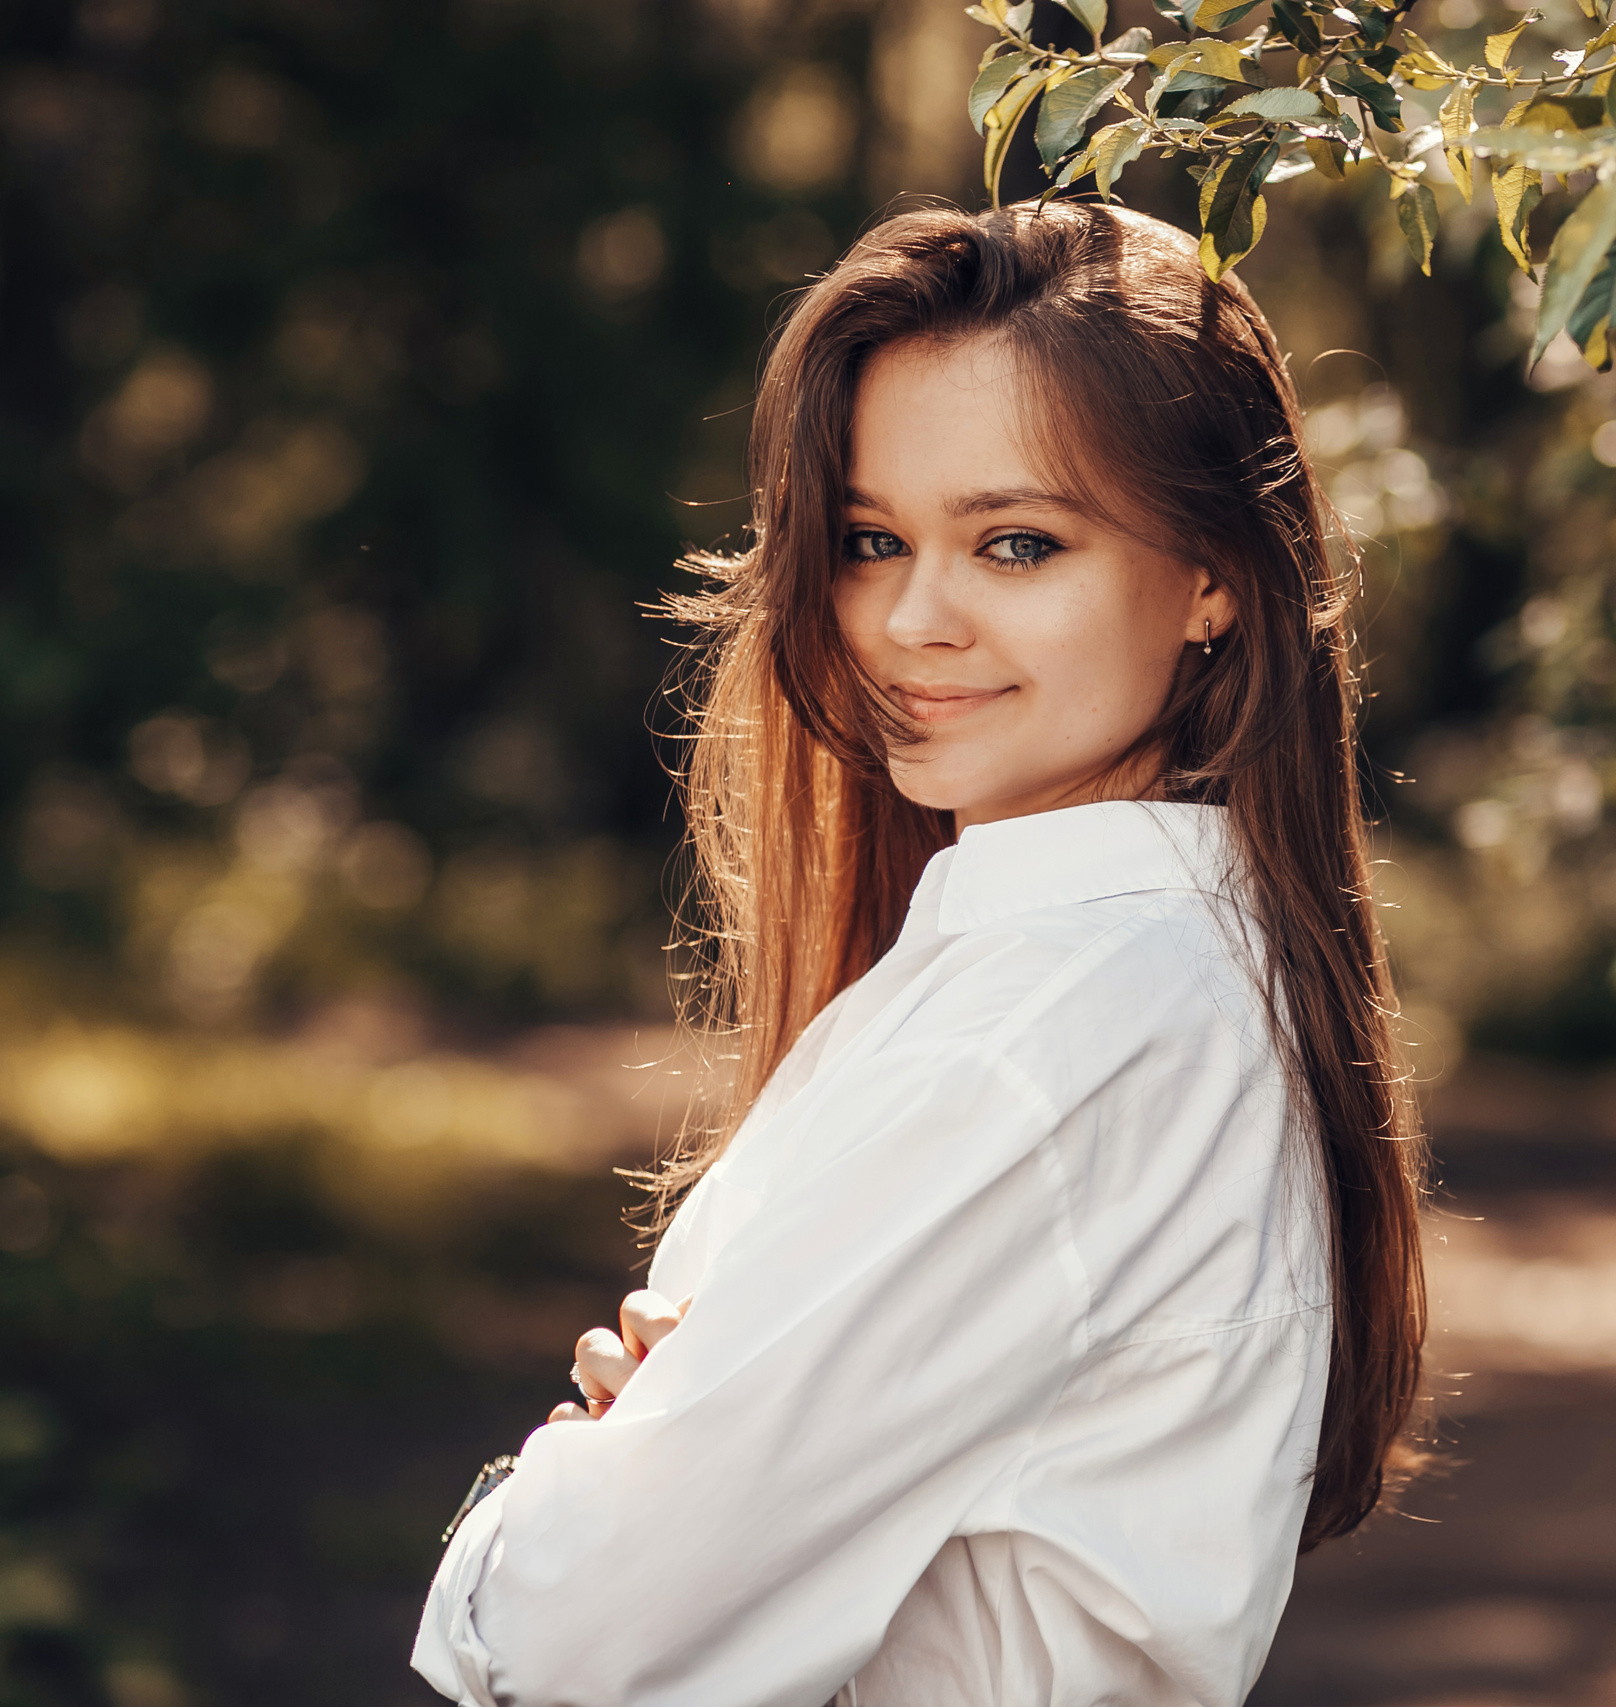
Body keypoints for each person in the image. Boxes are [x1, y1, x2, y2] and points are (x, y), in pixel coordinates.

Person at [408, 199, 1429, 1706]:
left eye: (1018, 543)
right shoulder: (1153, 971)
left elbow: (568, 1641)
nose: (909, 620)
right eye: (873, 540)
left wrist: (573, 1476)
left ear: (1216, 574)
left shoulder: (1049, 1031)